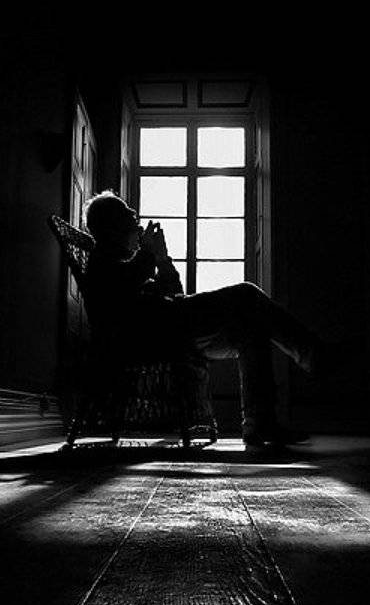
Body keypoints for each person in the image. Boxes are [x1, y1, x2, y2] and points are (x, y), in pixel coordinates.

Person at [81, 190, 331, 446]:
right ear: (112, 225)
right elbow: (128, 295)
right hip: (161, 333)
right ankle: (319, 358)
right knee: (246, 294)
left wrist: (163, 259)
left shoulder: (127, 261)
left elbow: (174, 291)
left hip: (172, 328)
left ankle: (261, 424)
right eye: (126, 212)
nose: (134, 214)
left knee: (252, 332)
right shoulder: (103, 262)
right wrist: (147, 253)